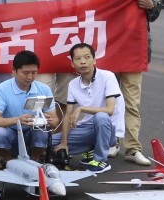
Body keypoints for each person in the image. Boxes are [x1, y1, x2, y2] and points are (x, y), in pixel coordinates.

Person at [91, 0, 160, 166]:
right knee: (109, 99)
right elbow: (99, 9)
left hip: (135, 52)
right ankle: (111, 142)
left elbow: (154, 14)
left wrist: (150, 5)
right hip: (110, 51)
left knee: (131, 102)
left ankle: (133, 148)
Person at [16, 0, 87, 107]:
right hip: (46, 51)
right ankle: (38, 132)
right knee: (40, 97)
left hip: (69, 53)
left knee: (65, 99)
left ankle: (58, 132)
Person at [51, 43, 120, 173]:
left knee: (101, 117)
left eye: (87, 57)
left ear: (94, 60)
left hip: (108, 130)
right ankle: (89, 149)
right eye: (78, 59)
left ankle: (100, 160)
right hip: (87, 129)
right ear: (72, 63)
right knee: (49, 143)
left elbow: (109, 110)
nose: (83, 62)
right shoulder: (73, 84)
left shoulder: (108, 77)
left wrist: (81, 109)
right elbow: (68, 115)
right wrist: (64, 143)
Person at [0, 50, 60, 167]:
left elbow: (55, 121)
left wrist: (48, 121)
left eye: (34, 73)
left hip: (32, 136)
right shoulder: (2, 88)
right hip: (10, 134)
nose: (30, 77)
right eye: (25, 73)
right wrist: (17, 120)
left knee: (41, 132)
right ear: (13, 70)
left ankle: (34, 160)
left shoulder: (44, 89)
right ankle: (8, 160)